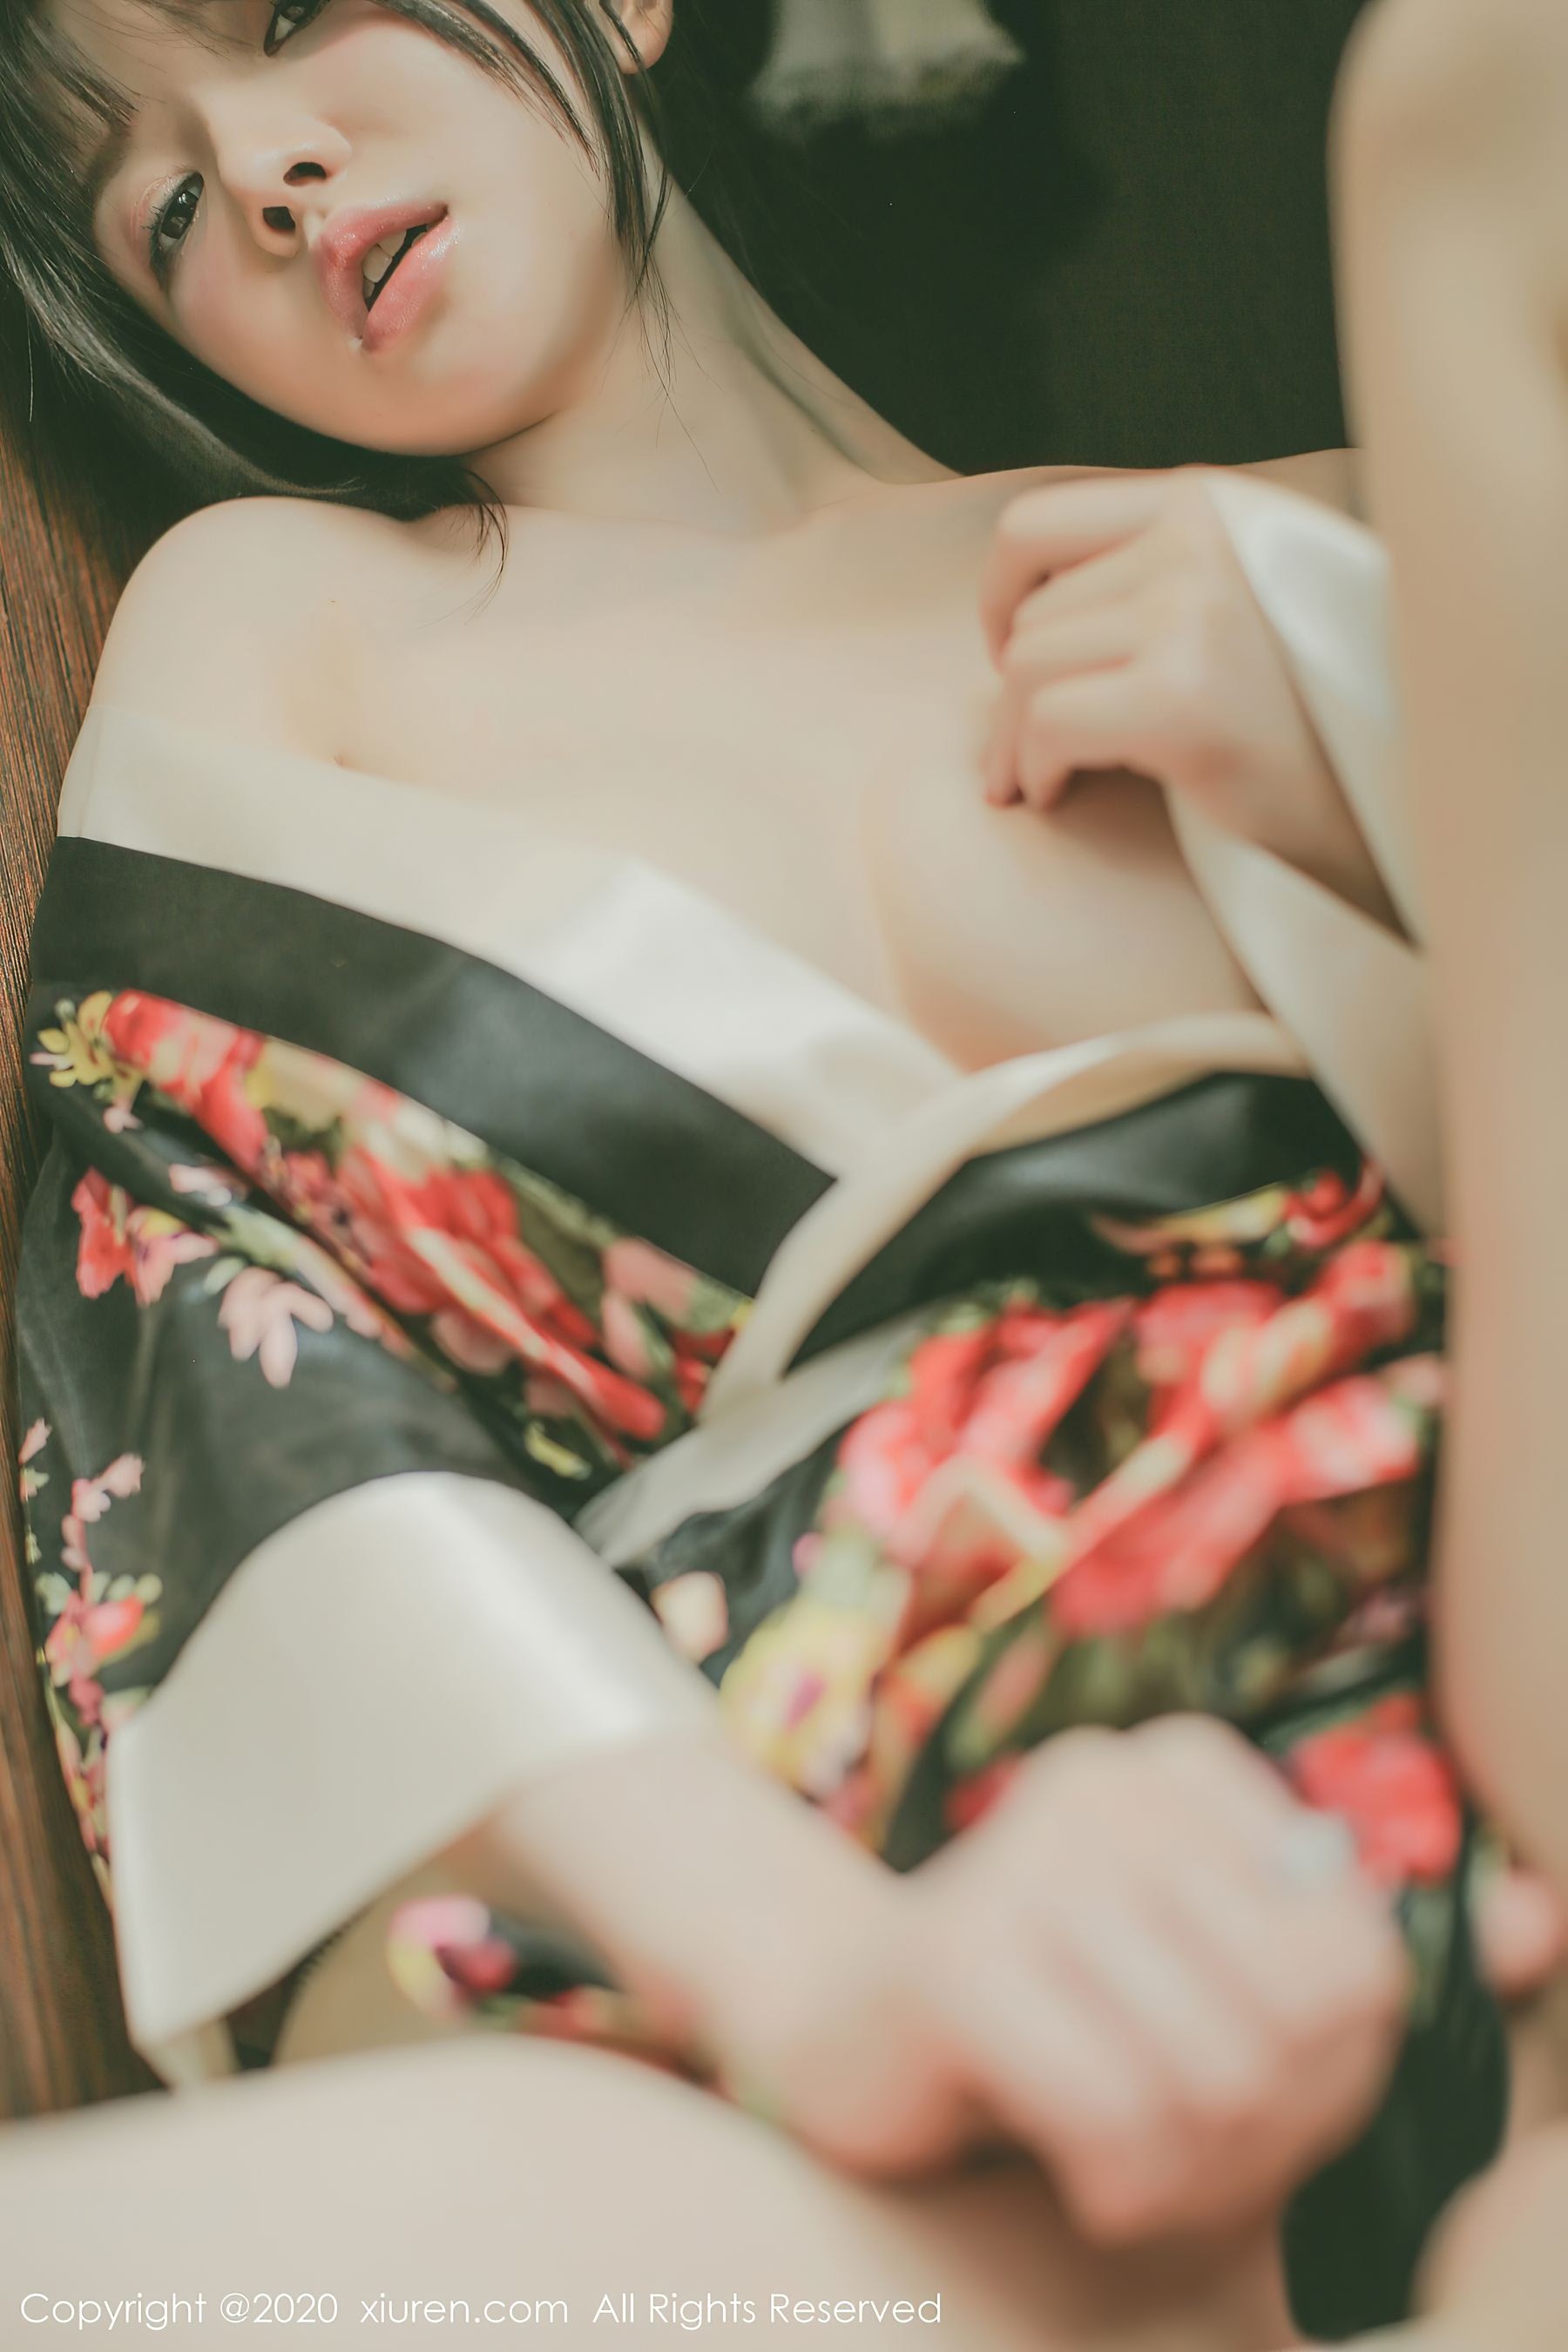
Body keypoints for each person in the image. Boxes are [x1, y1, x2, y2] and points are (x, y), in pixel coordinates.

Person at [0, 2, 1559, 2342]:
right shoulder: (285, 633)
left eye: (288, 11)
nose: (268, 174)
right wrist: (847, 1986)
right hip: (870, 2043)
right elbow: (234, 1417)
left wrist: (1363, 715)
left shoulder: (1347, 520)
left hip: (1490, 1790)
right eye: (166, 210)